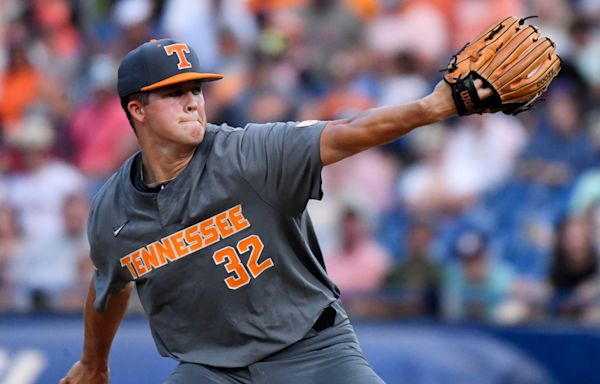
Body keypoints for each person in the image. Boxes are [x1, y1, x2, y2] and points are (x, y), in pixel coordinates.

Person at [60, 38, 491, 383]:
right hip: (213, 369)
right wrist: (94, 363)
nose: (193, 101)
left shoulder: (247, 153)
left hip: (311, 349)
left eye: (196, 89)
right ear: (137, 109)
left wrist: (435, 106)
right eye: (174, 94)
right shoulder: (112, 212)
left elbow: (347, 130)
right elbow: (109, 288)